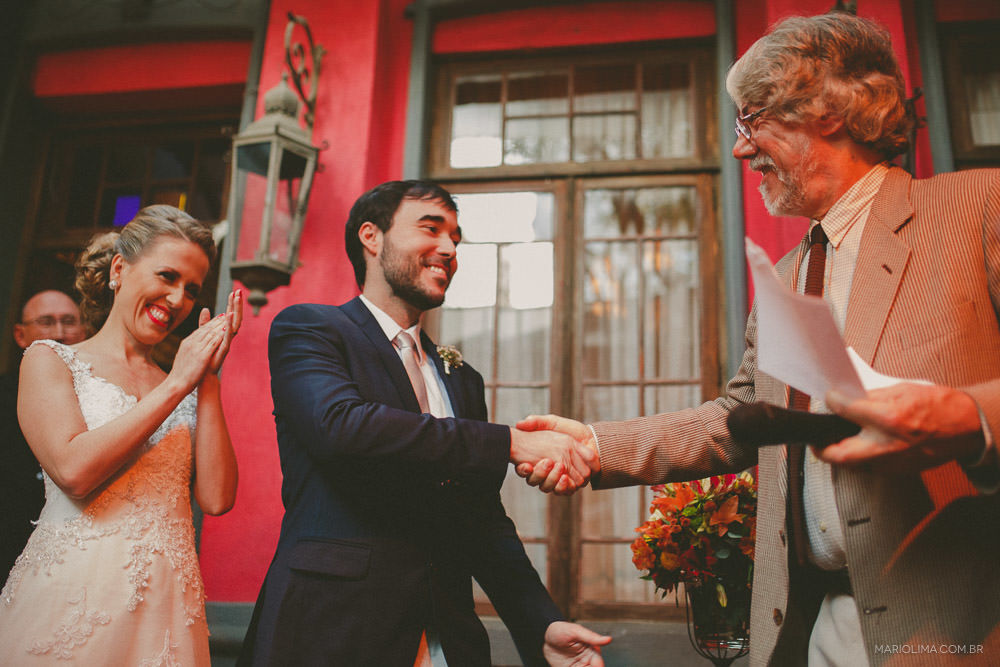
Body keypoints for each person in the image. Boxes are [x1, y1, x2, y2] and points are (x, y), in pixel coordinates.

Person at [517, 12, 1000, 666]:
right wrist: (596, 445)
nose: (739, 148)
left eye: (751, 120)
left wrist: (969, 417)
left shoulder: (979, 209)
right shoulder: (796, 269)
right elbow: (739, 417)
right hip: (808, 631)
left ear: (828, 110)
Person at [239, 180, 608, 666]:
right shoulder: (312, 329)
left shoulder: (461, 378)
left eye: (456, 237)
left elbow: (481, 519)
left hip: (445, 638)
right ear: (371, 237)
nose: (449, 248)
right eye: (431, 229)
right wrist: (509, 443)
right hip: (330, 628)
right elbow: (343, 427)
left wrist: (540, 622)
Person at [0, 205, 241, 665]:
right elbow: (73, 471)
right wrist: (178, 382)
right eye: (167, 276)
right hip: (73, 600)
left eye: (191, 290)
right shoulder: (51, 360)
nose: (176, 299)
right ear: (119, 269)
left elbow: (216, 499)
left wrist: (207, 380)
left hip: (166, 611)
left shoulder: (187, 386)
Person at [1, 290, 86, 583]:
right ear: (20, 334)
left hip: (78, 548)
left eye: (69, 322)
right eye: (46, 322)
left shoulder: (95, 393)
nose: (60, 333)